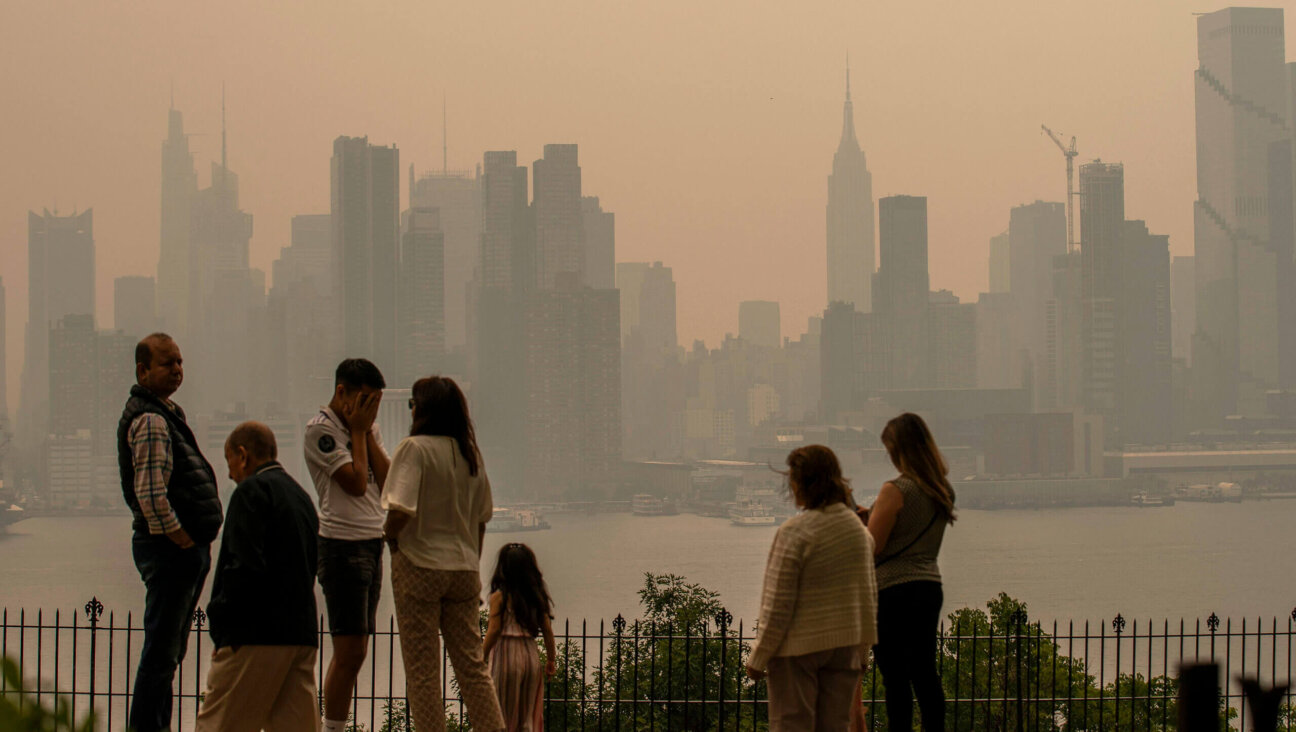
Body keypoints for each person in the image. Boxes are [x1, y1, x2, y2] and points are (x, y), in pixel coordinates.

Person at [382, 376, 504, 732]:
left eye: (412, 403)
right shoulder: (471, 457)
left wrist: (389, 539)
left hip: (419, 564)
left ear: (423, 408)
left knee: (423, 672)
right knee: (472, 667)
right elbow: (481, 520)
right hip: (463, 569)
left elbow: (401, 509)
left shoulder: (413, 449)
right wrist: (472, 563)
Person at [118, 333, 223, 732]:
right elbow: (150, 495)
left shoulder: (164, 413)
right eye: (167, 364)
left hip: (177, 550)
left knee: (169, 652)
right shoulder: (150, 419)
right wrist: (180, 538)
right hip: (170, 550)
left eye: (179, 362)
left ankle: (156, 726)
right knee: (162, 654)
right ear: (143, 371)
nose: (177, 370)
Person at [197, 422, 320, 732]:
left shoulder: (250, 492)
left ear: (243, 455)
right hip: (300, 635)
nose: (229, 474)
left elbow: (242, 567)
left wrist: (223, 623)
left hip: (254, 635)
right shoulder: (301, 498)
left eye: (229, 464)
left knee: (219, 724)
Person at [746, 445, 878, 732]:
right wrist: (863, 652)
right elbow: (868, 598)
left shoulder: (795, 533)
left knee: (792, 725)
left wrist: (759, 656)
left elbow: (777, 605)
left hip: (797, 652)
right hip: (845, 650)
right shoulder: (859, 533)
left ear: (801, 484)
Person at [304, 358, 392, 732]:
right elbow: (355, 482)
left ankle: (335, 724)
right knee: (348, 651)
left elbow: (388, 481)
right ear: (342, 393)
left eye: (376, 403)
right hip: (342, 546)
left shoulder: (366, 429)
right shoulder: (320, 431)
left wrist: (366, 432)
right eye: (366, 400)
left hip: (373, 542)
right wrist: (357, 432)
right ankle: (332, 728)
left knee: (359, 651)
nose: (371, 410)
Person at [861, 412, 956, 732]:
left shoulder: (895, 489)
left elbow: (873, 545)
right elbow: (909, 531)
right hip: (929, 586)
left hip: (892, 589)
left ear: (899, 449)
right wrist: (873, 514)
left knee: (895, 676)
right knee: (925, 672)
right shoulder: (942, 489)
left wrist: (862, 519)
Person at [483, 543, 558, 732]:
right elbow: (547, 631)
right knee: (527, 719)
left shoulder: (499, 597)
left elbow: (493, 630)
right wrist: (550, 659)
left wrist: (480, 657)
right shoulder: (536, 597)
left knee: (503, 717)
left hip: (506, 657)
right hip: (530, 656)